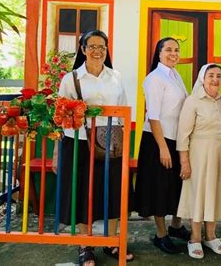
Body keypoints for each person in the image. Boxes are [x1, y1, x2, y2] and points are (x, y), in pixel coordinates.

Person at [57, 30, 134, 265]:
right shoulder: (71, 79)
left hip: (111, 143)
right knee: (82, 192)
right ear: (82, 49)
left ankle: (111, 241)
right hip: (78, 142)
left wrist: (124, 143)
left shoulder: (116, 77)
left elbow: (122, 110)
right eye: (92, 46)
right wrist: (55, 150)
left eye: (102, 46)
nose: (97, 51)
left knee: (112, 190)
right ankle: (85, 244)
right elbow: (60, 114)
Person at [135, 37, 191, 254]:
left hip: (176, 140)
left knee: (177, 185)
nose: (173, 53)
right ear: (158, 53)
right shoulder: (154, 78)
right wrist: (163, 147)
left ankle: (176, 226)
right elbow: (154, 116)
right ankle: (160, 234)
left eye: (176, 50)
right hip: (158, 140)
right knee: (158, 188)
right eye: (168, 50)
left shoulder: (175, 75)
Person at [176, 64, 221, 259]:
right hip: (197, 153)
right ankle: (195, 238)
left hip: (219, 152)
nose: (215, 79)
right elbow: (183, 134)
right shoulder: (193, 101)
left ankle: (211, 236)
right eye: (211, 76)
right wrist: (184, 162)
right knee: (197, 194)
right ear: (202, 79)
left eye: (218, 75)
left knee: (214, 193)